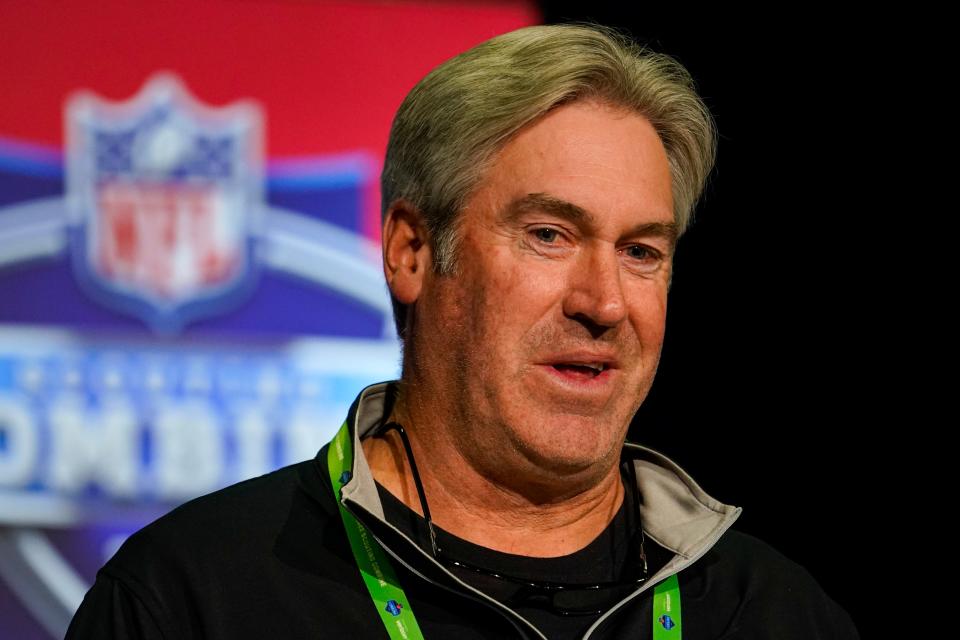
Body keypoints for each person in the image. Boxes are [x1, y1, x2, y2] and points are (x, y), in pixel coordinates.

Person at [67, 24, 858, 639]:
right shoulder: (192, 598)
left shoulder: (778, 616)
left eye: (641, 252)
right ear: (411, 252)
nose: (605, 303)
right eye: (549, 234)